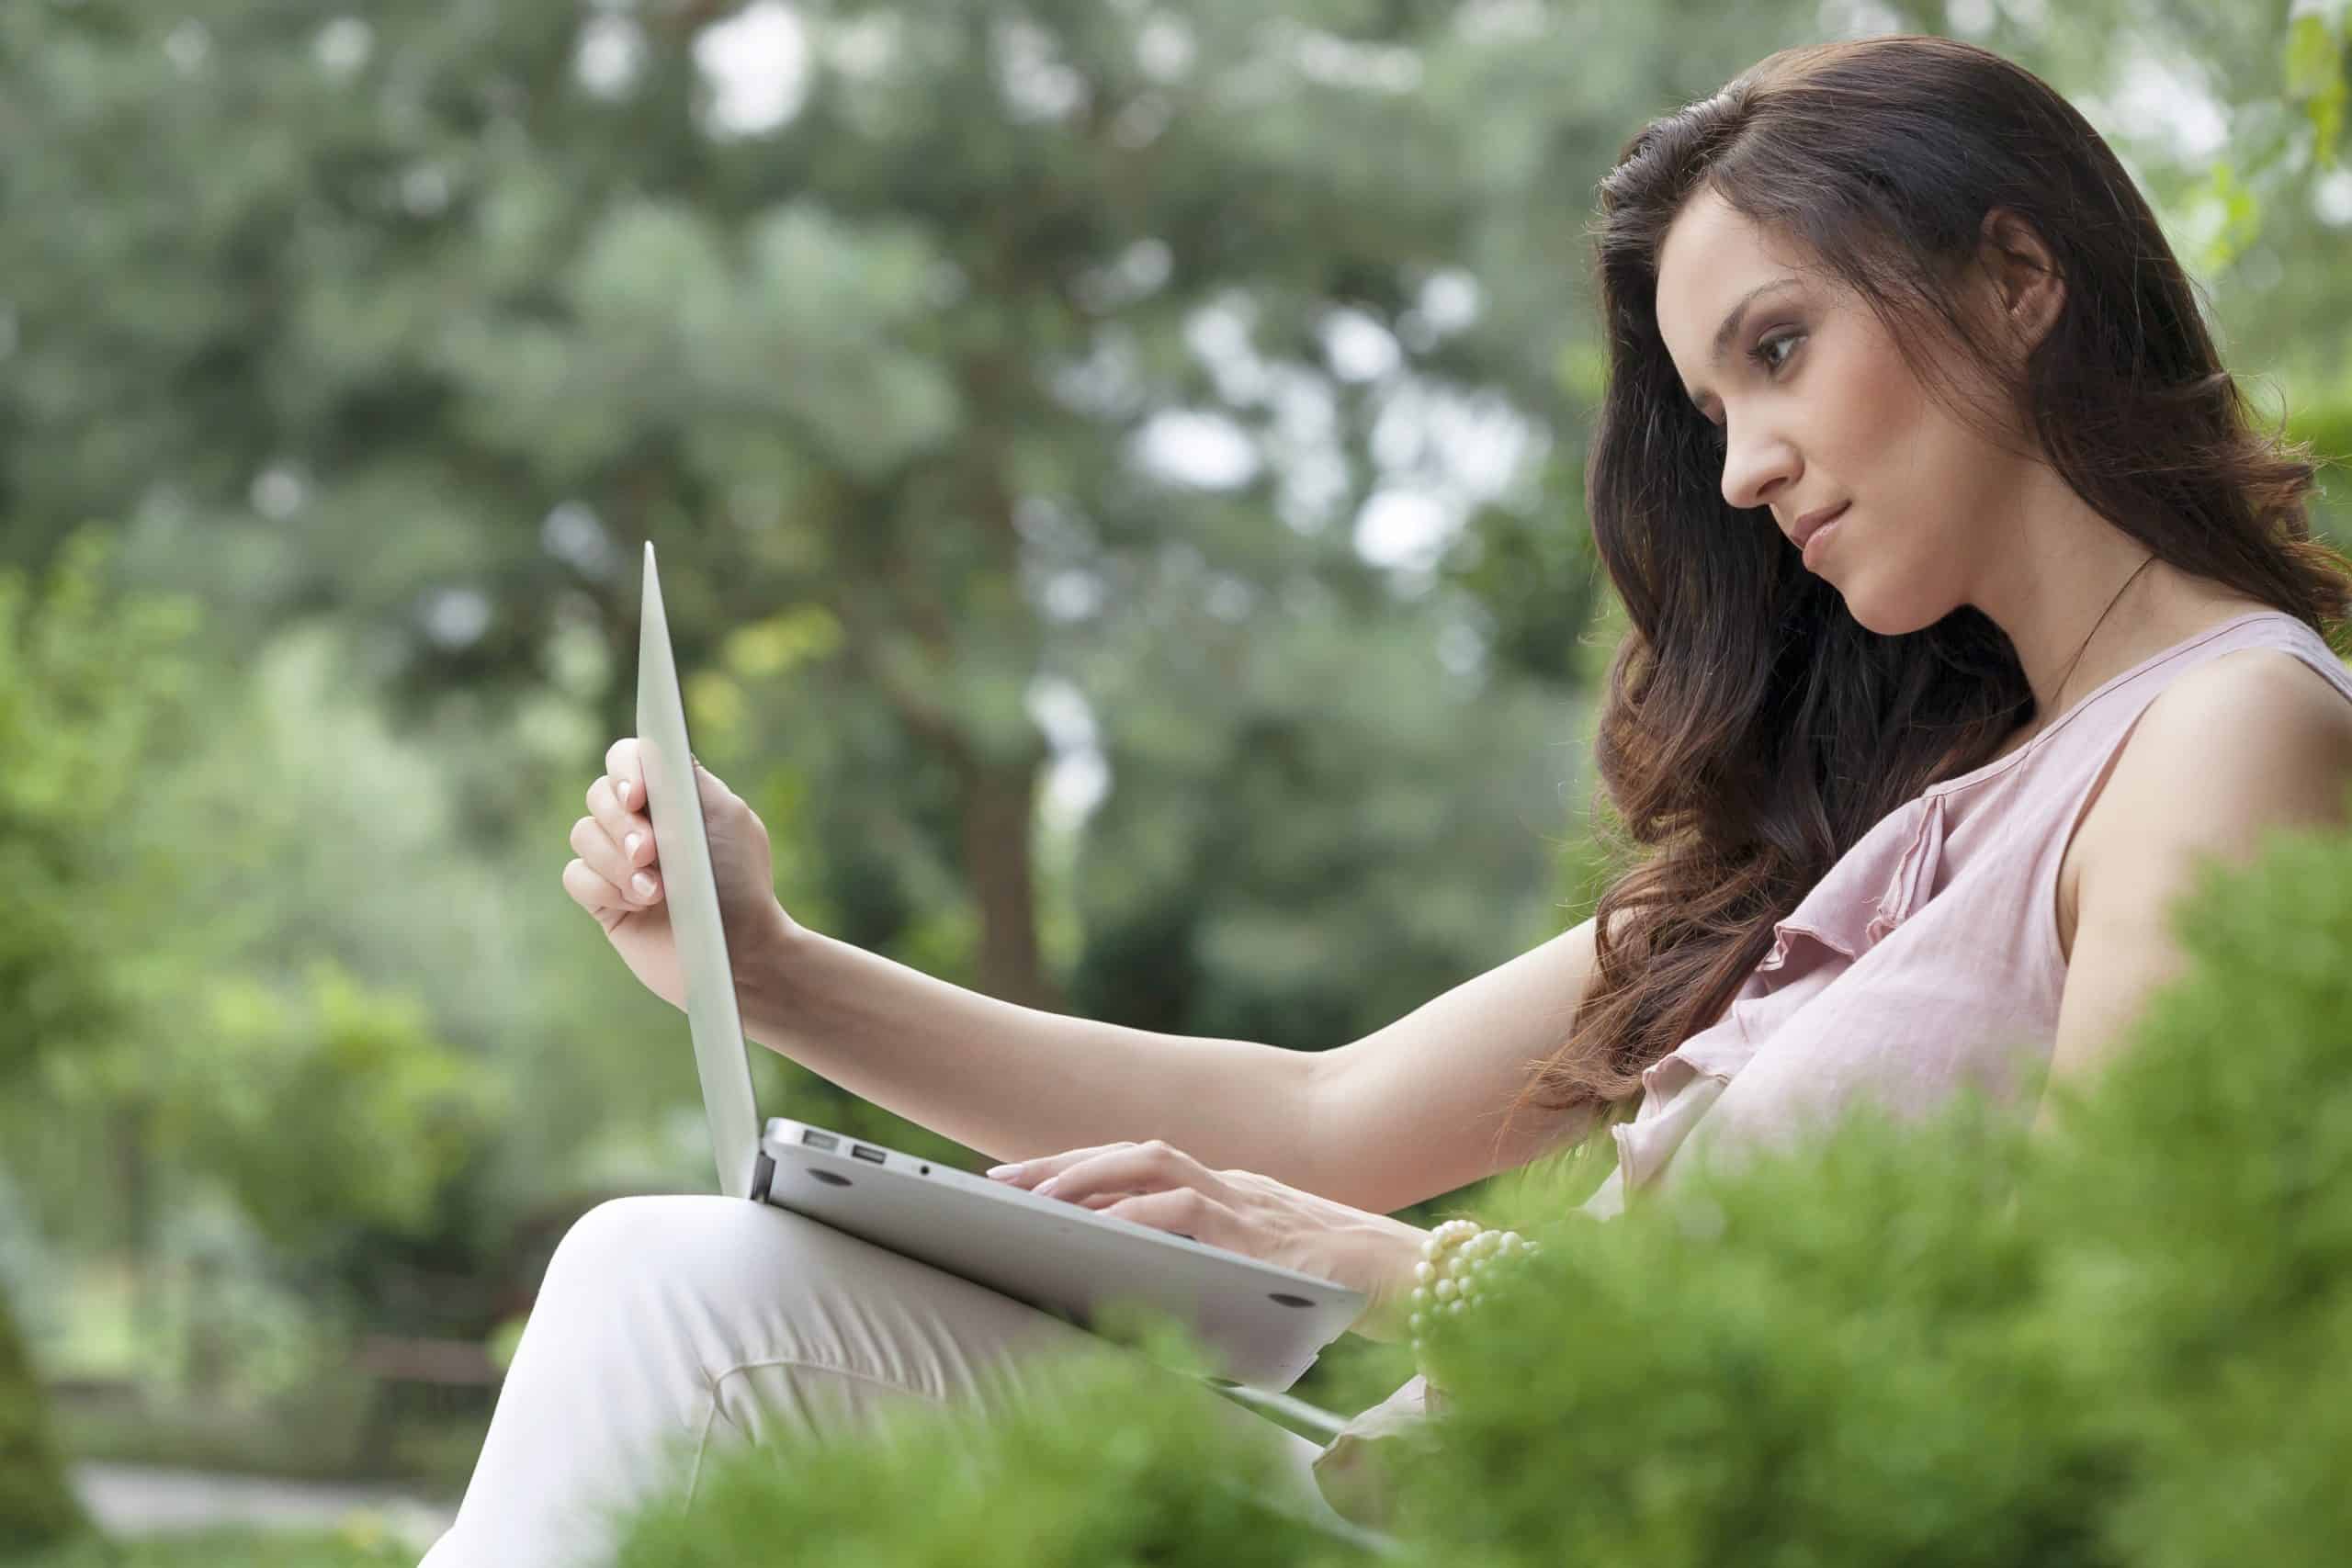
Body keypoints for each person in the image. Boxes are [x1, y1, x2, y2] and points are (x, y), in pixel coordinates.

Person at [416, 32, 2352, 1567]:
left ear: (2013, 272)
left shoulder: (2226, 736)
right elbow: (1323, 1111)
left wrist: (1403, 1273)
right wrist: (765, 972)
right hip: (1384, 1499)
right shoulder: (1905, 802)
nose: (1744, 469)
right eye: (1707, 411)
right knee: (687, 1275)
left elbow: (2110, 1390)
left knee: (683, 1298)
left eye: (1777, 350)